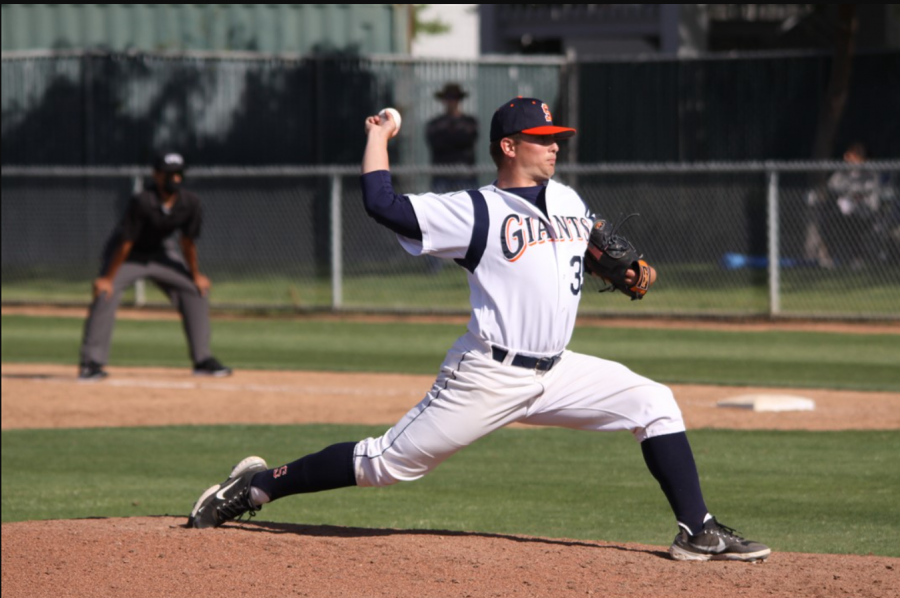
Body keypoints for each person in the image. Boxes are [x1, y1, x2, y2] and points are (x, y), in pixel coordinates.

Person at [187, 98, 771, 563]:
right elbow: (382, 204)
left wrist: (615, 263)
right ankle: (256, 486)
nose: (555, 148)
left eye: (557, 139)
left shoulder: (566, 197)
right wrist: (378, 135)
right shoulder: (476, 210)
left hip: (558, 369)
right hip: (488, 372)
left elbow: (595, 242)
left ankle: (697, 531)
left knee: (654, 401)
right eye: (543, 141)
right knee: (383, 465)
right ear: (509, 147)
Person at [77, 152, 231, 380]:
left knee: (195, 290)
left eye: (179, 173)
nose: (175, 178)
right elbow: (126, 242)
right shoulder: (143, 201)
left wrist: (195, 275)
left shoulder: (190, 203)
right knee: (104, 293)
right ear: (157, 175)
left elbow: (187, 243)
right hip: (128, 256)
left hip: (161, 254)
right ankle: (91, 363)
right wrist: (107, 278)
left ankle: (203, 359)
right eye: (170, 173)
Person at [825, 142, 882, 268]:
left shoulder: (870, 173)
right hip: (842, 214)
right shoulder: (842, 172)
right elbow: (832, 186)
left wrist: (852, 195)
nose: (846, 158)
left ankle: (856, 259)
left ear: (858, 157)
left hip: (865, 214)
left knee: (853, 225)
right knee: (828, 220)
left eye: (850, 156)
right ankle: (834, 257)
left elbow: (868, 193)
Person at [426, 82, 479, 193]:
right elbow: (436, 143)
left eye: (454, 98)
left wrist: (447, 137)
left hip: (465, 173)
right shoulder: (435, 123)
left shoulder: (469, 122)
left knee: (467, 207)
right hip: (441, 173)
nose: (451, 101)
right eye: (449, 98)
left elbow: (467, 140)